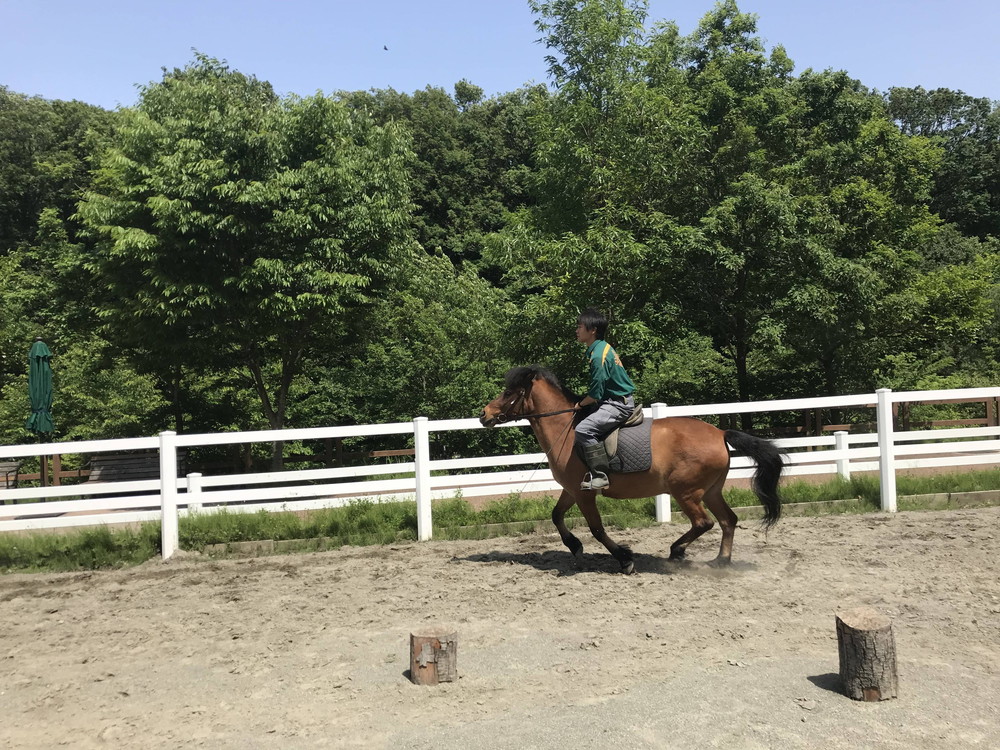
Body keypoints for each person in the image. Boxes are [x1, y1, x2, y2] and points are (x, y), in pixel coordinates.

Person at [573, 307, 636, 491]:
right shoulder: (601, 348)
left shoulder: (598, 355)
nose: (577, 330)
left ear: (592, 330)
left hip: (617, 405)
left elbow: (595, 394)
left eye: (580, 327)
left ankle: (601, 476)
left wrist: (579, 404)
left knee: (583, 429)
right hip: (613, 401)